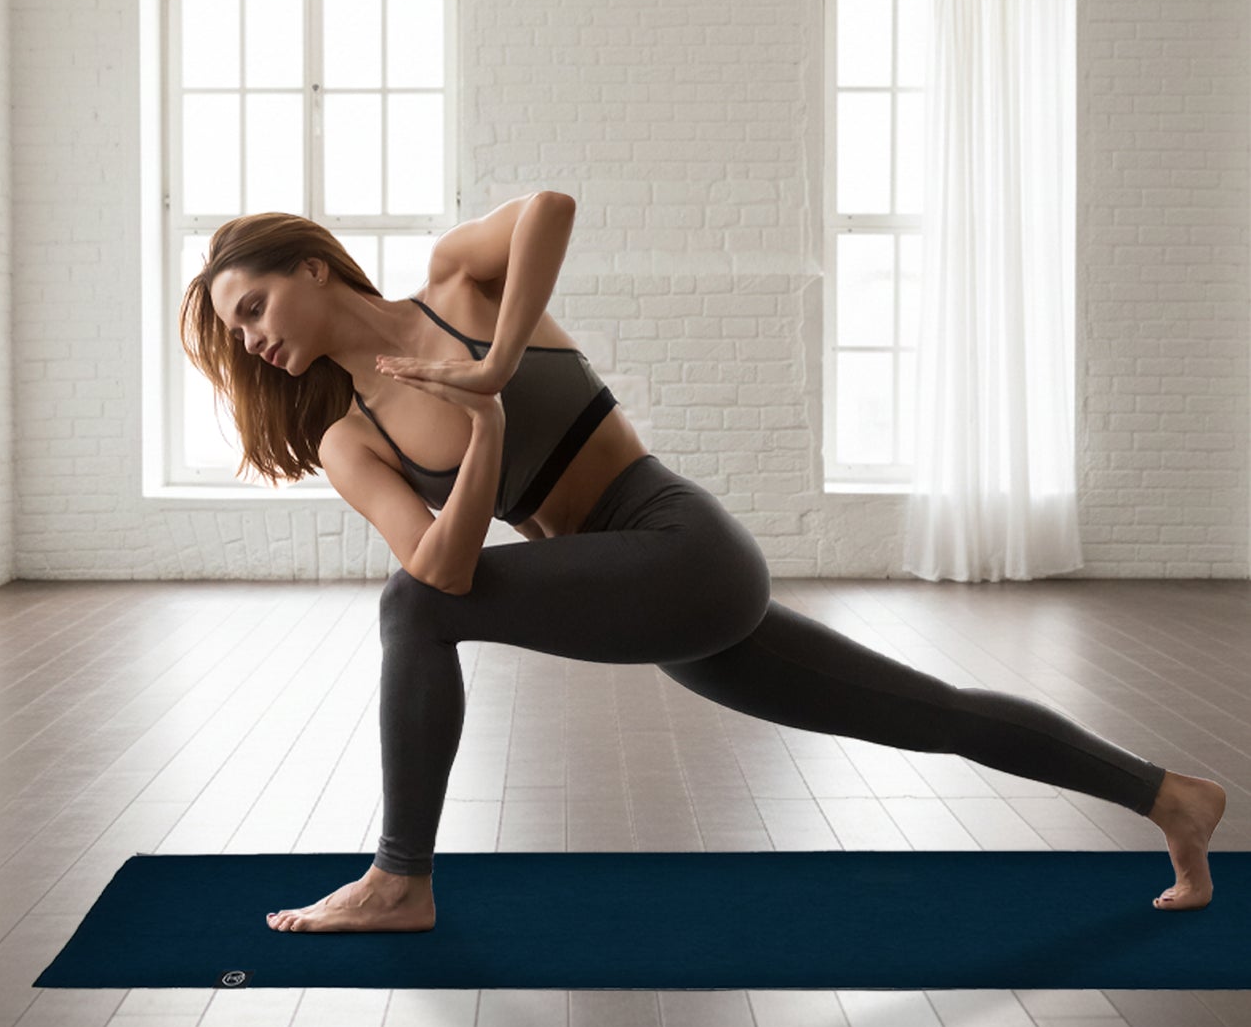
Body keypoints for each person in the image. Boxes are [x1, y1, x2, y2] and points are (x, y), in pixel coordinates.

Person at [179, 194, 1226, 934]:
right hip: (650, 603)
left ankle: (399, 878)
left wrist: (492, 363)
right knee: (925, 710)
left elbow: (548, 206)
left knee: (406, 610)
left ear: (309, 267)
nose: (252, 340)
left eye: (253, 307)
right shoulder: (350, 437)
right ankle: (1170, 797)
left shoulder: (460, 282)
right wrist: (485, 428)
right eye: (237, 332)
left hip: (683, 546)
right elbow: (443, 570)